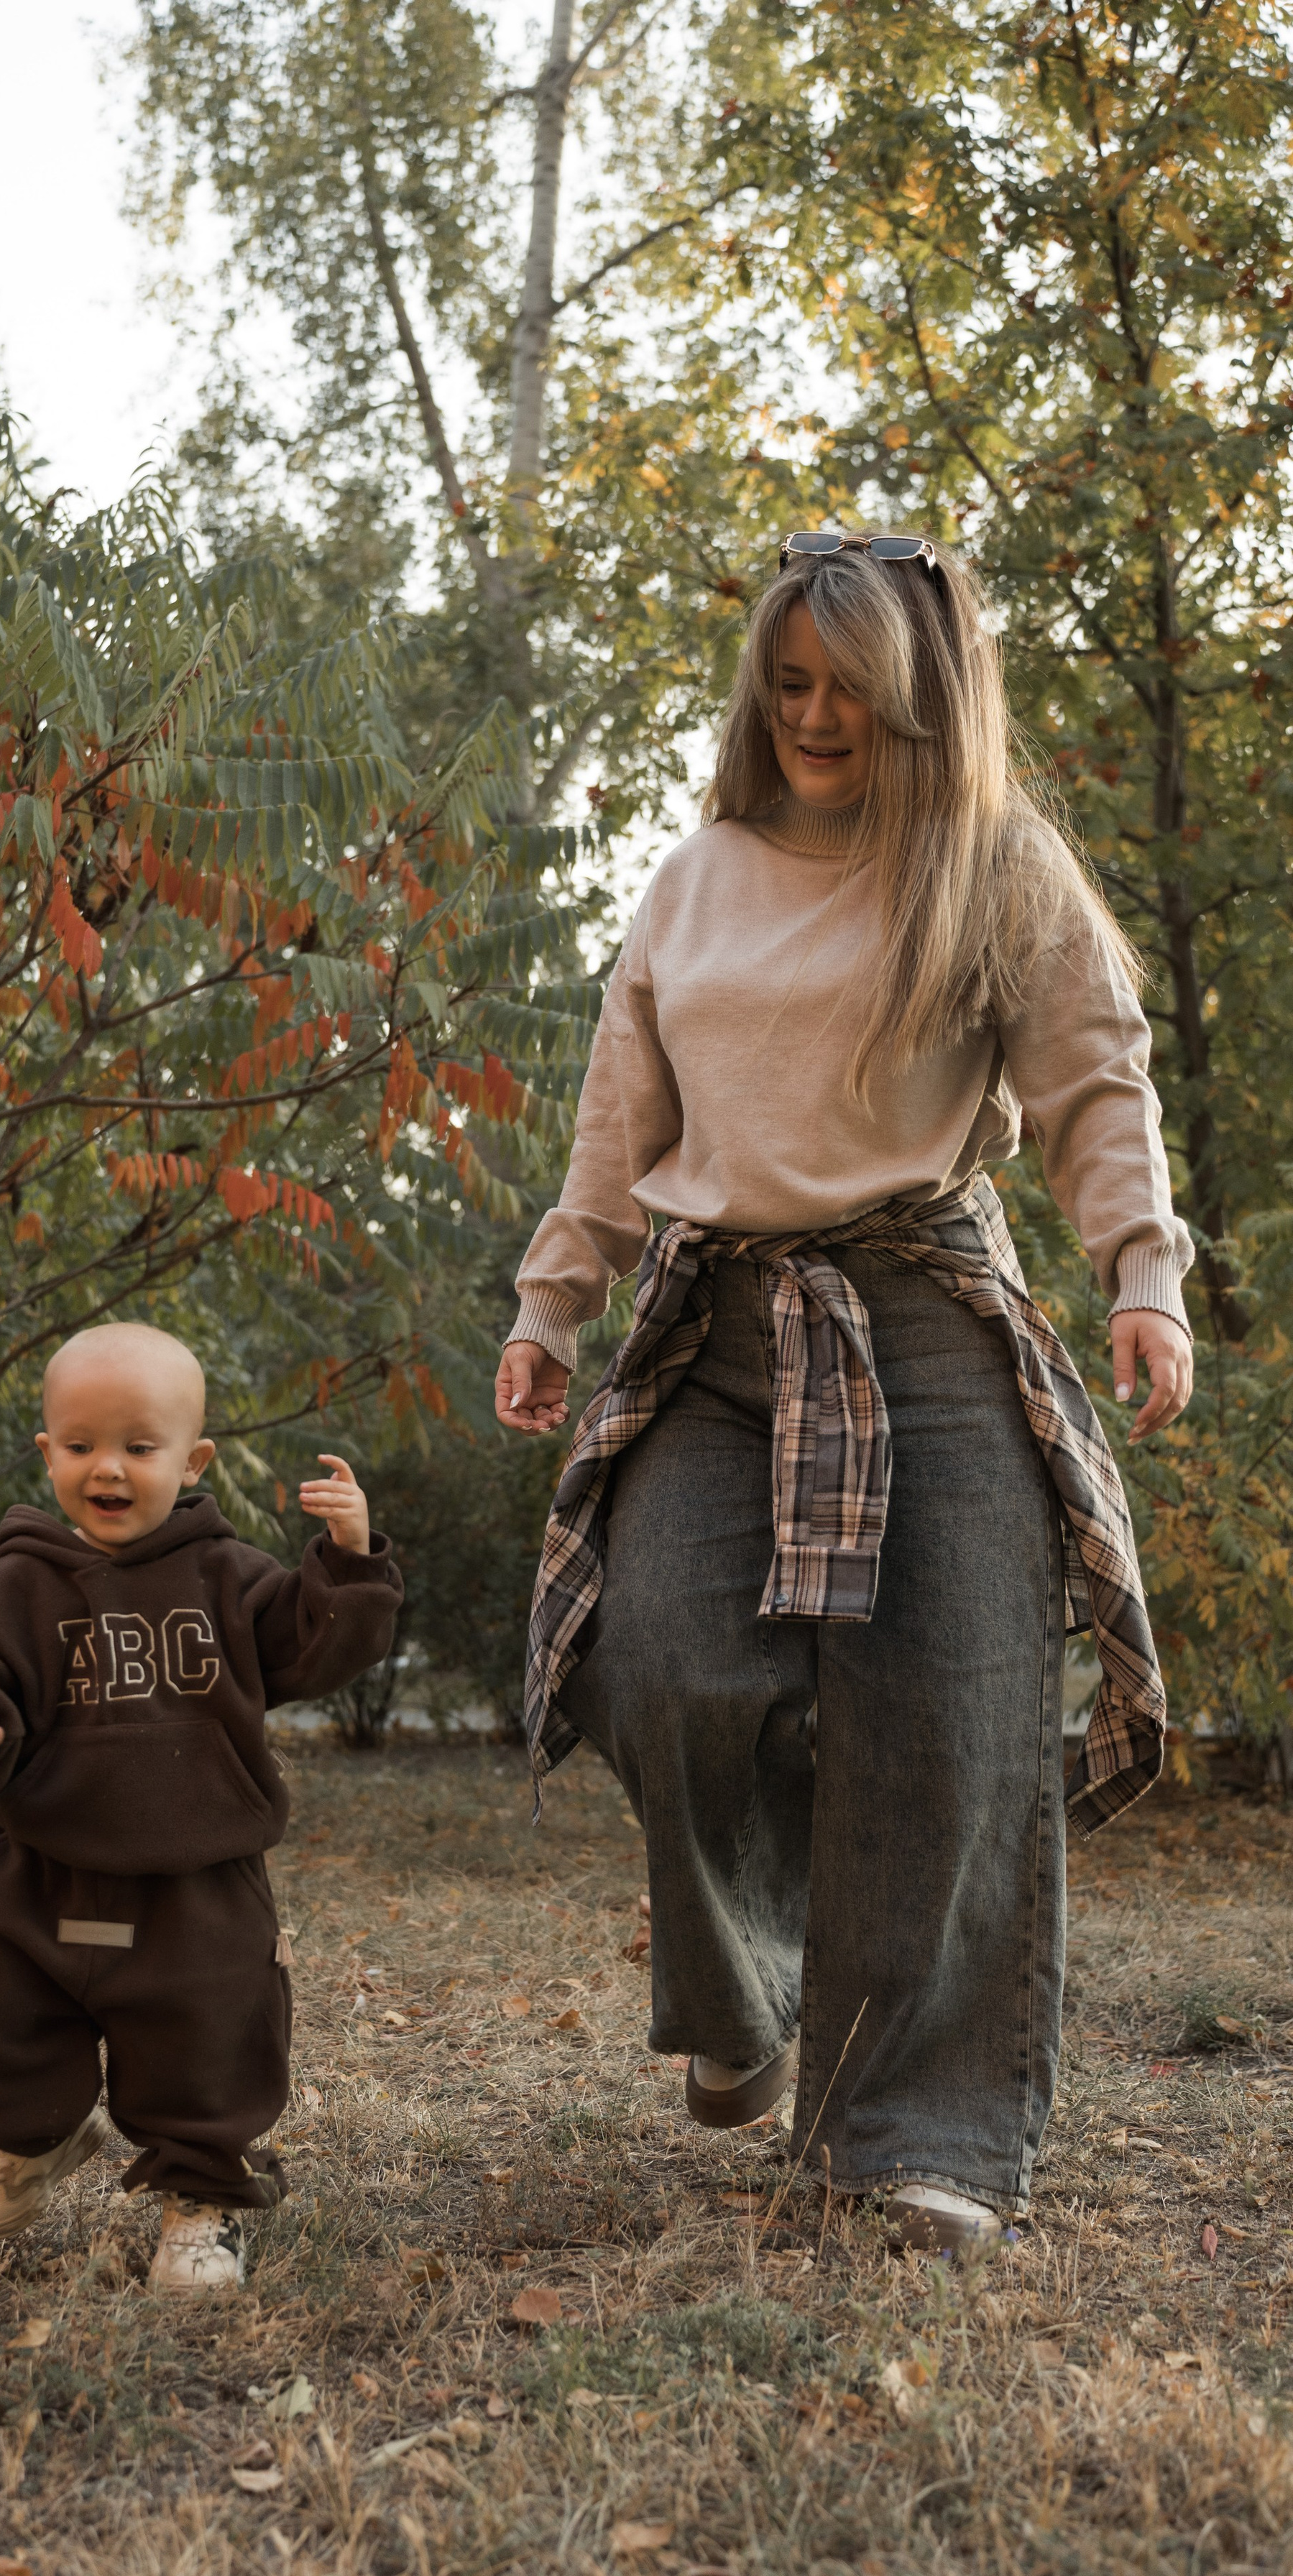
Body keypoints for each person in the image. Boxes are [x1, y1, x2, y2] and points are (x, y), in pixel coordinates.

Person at [495, 530, 1194, 2254]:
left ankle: (917, 2144)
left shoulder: (995, 868)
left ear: (924, 699)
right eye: (788, 684)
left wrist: (1140, 1274)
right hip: (716, 1330)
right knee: (656, 1661)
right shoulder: (696, 877)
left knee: (941, 1725)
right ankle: (743, 1987)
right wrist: (551, 1300)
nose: (812, 717)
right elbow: (619, 1114)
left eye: (851, 691)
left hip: (923, 1319)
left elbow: (1094, 1084)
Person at [0, 1322, 402, 2290]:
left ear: (192, 1461)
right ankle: (36, 2136)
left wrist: (348, 1559)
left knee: (205, 2047)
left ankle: (200, 2202)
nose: (108, 1468)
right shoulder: (11, 1588)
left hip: (195, 1882)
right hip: (41, 1870)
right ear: (47, 1453)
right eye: (81, 1445)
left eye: (138, 1445)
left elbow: (312, 1644)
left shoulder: (226, 1578)